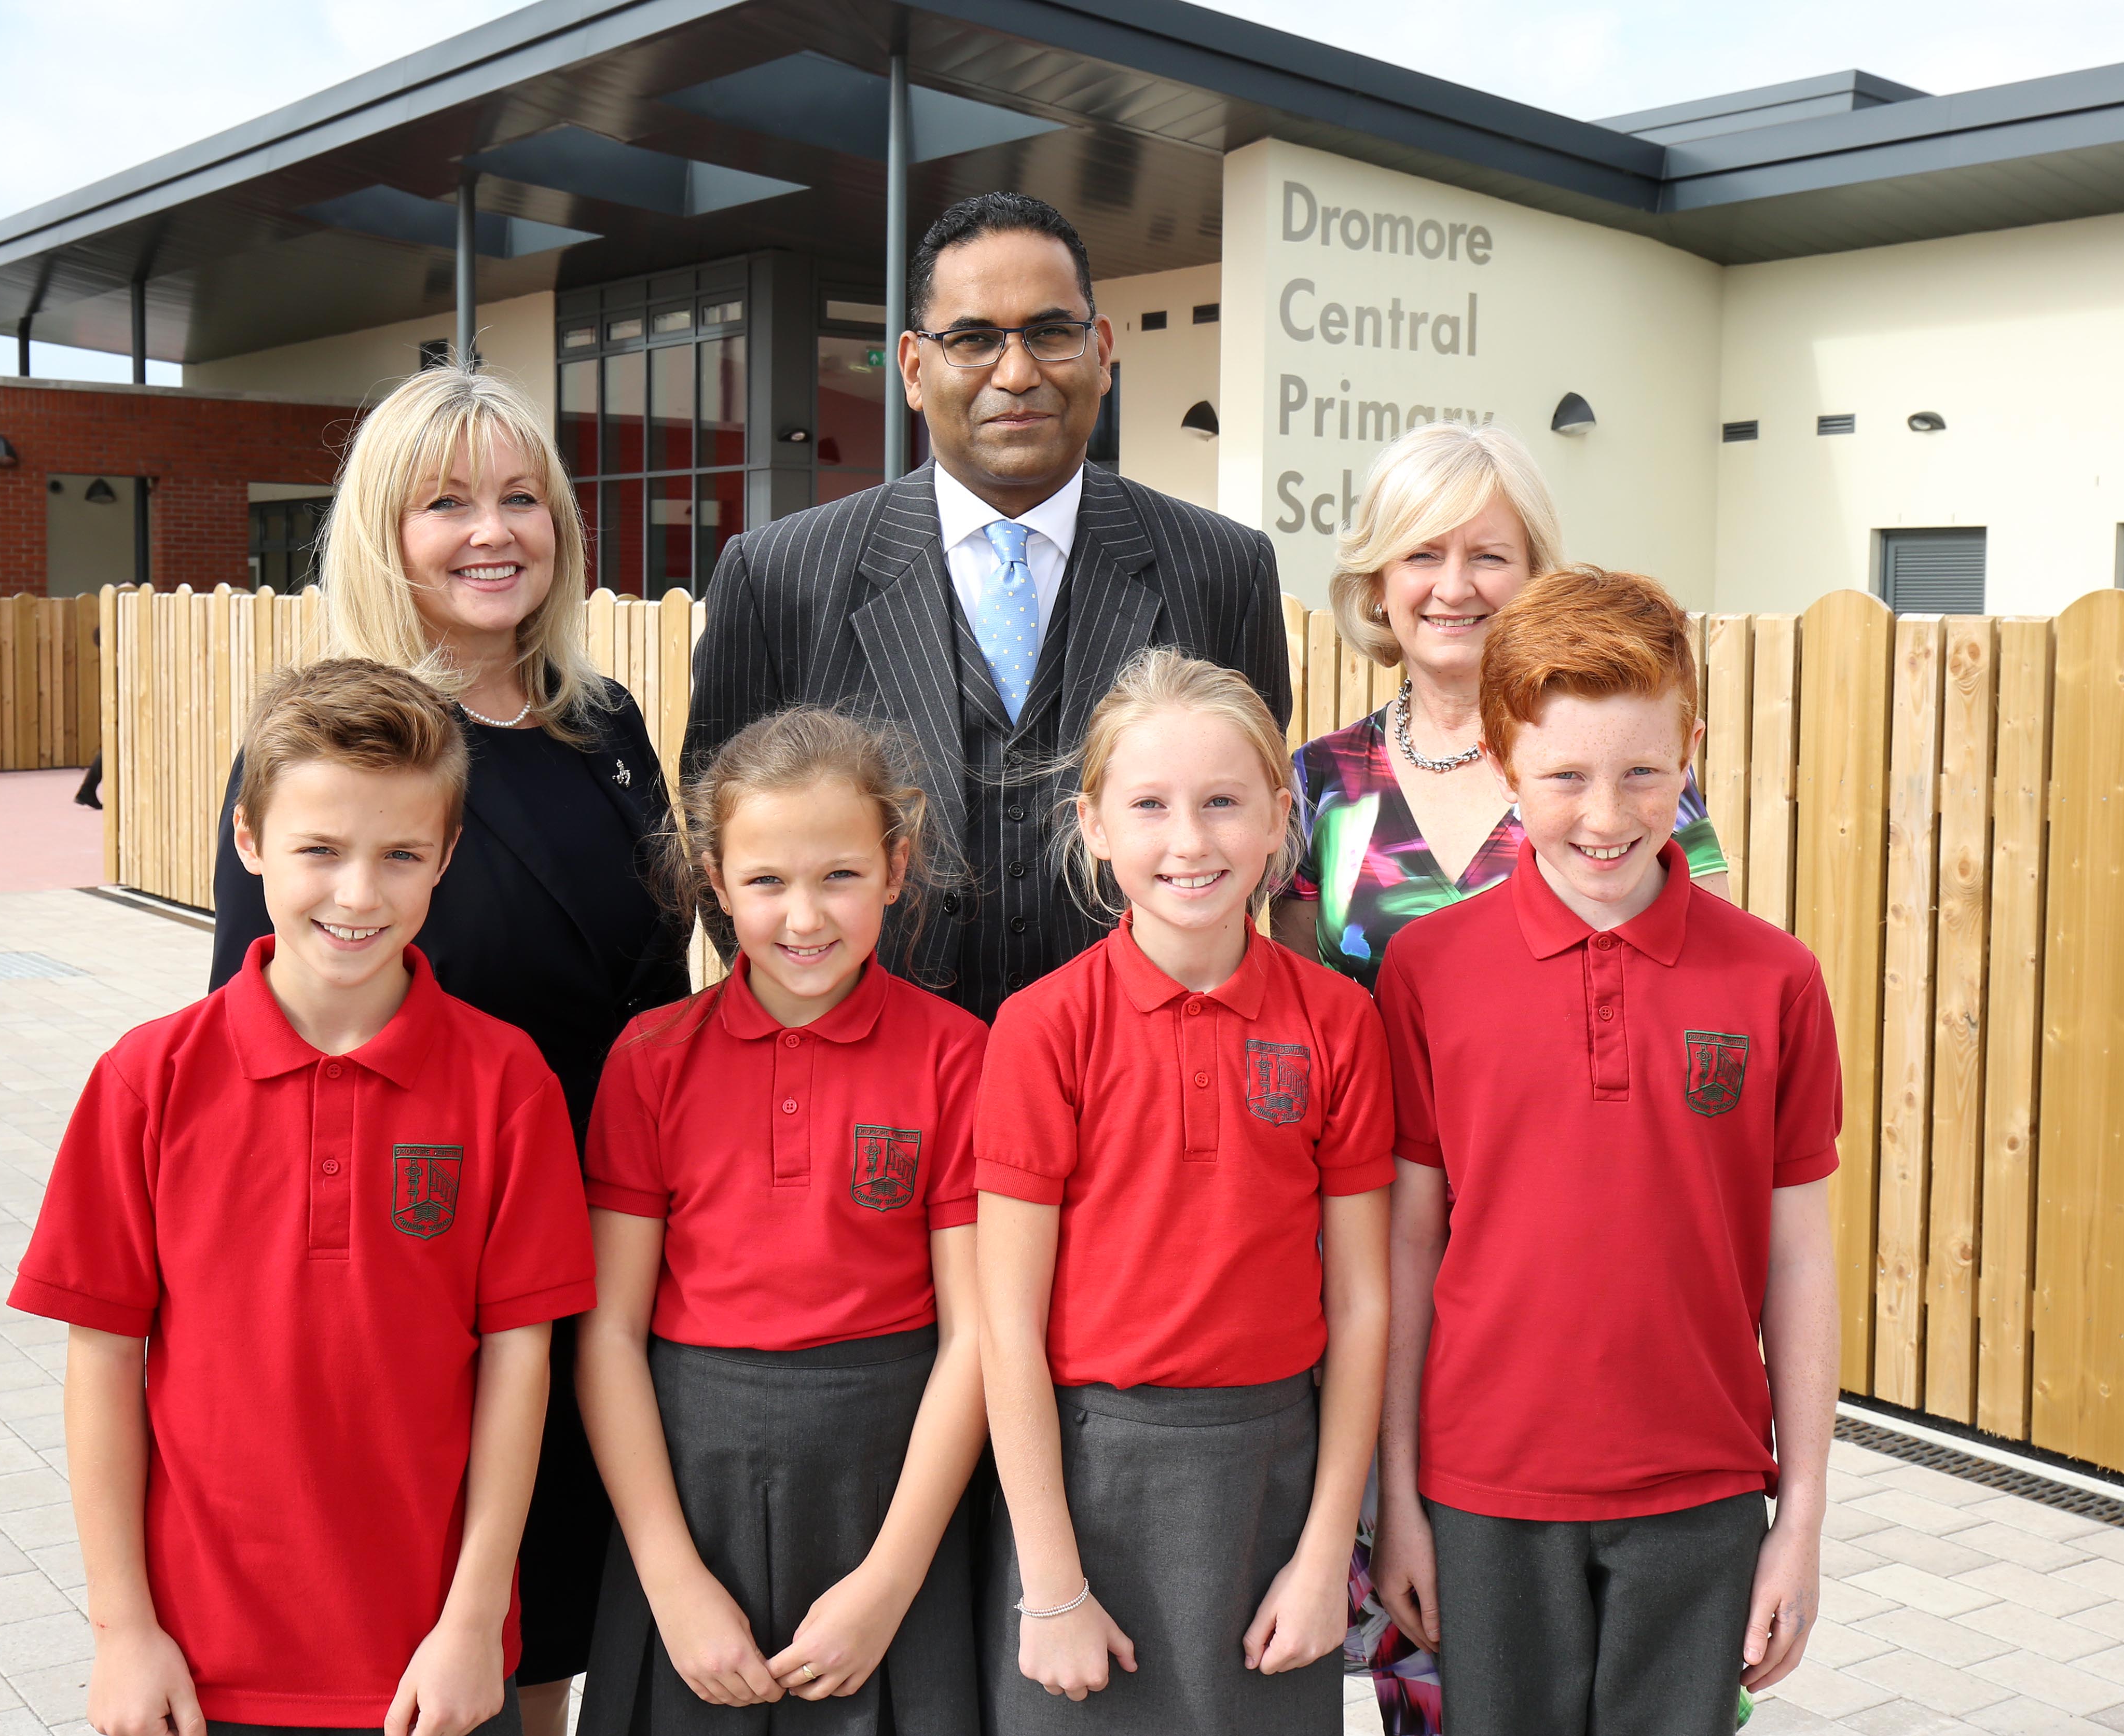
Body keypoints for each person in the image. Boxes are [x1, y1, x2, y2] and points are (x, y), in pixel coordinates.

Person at [209, 367, 686, 1736]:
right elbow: (254, 1033)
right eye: (448, 504)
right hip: (408, 1250)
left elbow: (658, 994)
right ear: (384, 529)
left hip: (593, 1238)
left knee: (545, 1606)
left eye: (521, 497)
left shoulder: (603, 730)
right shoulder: (327, 740)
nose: (494, 532)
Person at [17, 660, 600, 1736]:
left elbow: (521, 1357)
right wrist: (121, 1629)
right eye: (319, 850)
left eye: (400, 855)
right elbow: (101, 1357)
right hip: (202, 1667)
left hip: (434, 1664)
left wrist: (475, 1617)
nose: (358, 893)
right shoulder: (147, 1079)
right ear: (249, 842)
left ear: (447, 858)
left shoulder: (506, 1079)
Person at [1371, 568, 1840, 1736]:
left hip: (1703, 1489)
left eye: (1642, 772)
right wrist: (1402, 1502)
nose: (1607, 814)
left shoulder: (1775, 980)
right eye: (1565, 776)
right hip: (1484, 1491)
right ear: (1498, 757)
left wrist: (1803, 1521)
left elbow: (1799, 1262)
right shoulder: (1428, 972)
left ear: (1689, 744)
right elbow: (1407, 1245)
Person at [685, 191, 1291, 1022]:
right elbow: (722, 846)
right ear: (911, 368)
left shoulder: (1222, 567)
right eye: (971, 339)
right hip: (879, 1097)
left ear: (1102, 350)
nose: (1016, 373)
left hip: (1133, 1094)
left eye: (1049, 332)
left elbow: (1247, 839)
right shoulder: (780, 576)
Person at [975, 648, 1392, 1734]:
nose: (1190, 840)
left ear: (1275, 820)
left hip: (1269, 1477)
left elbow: (1361, 1305)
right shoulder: (1043, 1028)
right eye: (1151, 804)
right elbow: (1005, 1323)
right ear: (1097, 824)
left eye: (1222, 803)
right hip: (1086, 1480)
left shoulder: (1338, 1023)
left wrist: (1323, 1558)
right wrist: (1052, 1581)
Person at [576, 708, 989, 1734]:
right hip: (687, 1477)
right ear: (714, 882)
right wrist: (671, 1579)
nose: (804, 916)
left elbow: (978, 1333)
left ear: (897, 867)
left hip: (888, 1474)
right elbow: (610, 1332)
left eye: (840, 875)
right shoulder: (650, 1058)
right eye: (765, 882)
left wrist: (890, 1580)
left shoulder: (959, 1055)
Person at [1274, 421, 1729, 991]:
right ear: (1375, 585)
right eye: (1422, 554)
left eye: (1488, 557)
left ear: (1535, 579)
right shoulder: (1320, 779)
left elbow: (1709, 979)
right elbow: (1299, 1012)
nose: (1456, 586)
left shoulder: (1624, 769)